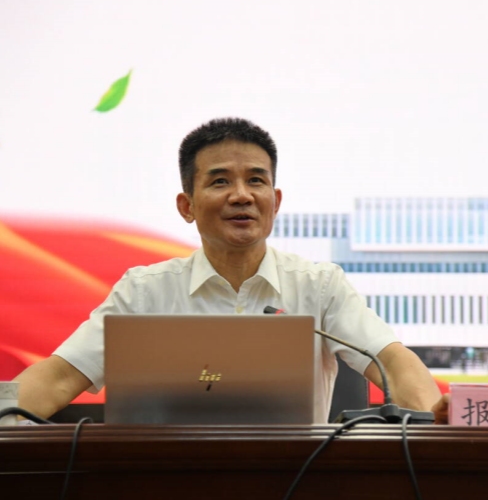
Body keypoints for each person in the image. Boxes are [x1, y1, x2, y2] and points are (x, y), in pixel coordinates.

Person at [13, 117, 449, 423]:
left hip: (294, 479)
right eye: (220, 181)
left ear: (275, 202)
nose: (241, 195)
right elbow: (60, 377)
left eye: (256, 180)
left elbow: (391, 362)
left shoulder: (319, 285)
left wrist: (436, 416)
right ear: (187, 206)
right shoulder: (144, 291)